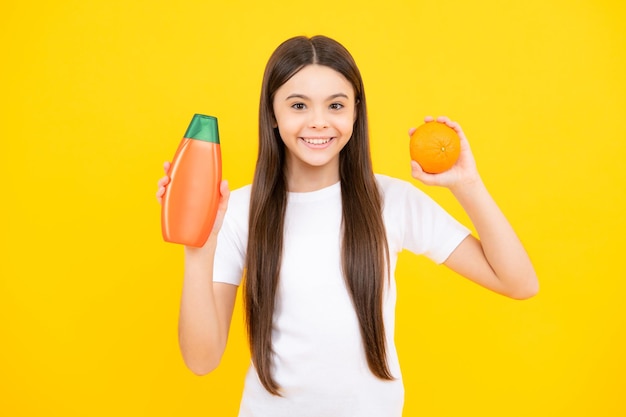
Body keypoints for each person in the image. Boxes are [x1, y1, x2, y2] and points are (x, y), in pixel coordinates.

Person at [156, 35, 538, 417]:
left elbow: (519, 283)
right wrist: (199, 248)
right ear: (272, 113)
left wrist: (467, 185)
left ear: (356, 112)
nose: (318, 122)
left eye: (336, 105)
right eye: (298, 105)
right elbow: (201, 360)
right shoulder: (239, 210)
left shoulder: (391, 200)